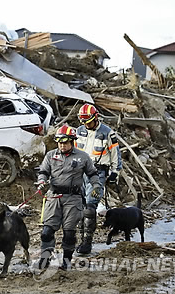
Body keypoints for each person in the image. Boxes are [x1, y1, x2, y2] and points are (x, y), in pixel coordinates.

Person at [36, 124, 100, 270]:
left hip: (73, 198)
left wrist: (96, 187)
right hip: (53, 197)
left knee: (69, 233)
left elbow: (92, 174)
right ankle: (45, 259)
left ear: (72, 141)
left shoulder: (82, 157)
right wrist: (41, 181)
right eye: (60, 142)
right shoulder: (51, 155)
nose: (62, 146)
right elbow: (43, 172)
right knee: (47, 231)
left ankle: (66, 261)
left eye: (65, 142)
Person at [75, 104, 122, 254]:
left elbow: (115, 153)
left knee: (90, 208)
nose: (86, 125)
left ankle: (87, 243)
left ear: (95, 118)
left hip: (97, 172)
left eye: (88, 122)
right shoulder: (79, 131)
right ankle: (80, 240)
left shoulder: (107, 133)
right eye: (83, 122)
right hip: (79, 172)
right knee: (80, 208)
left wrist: (115, 173)